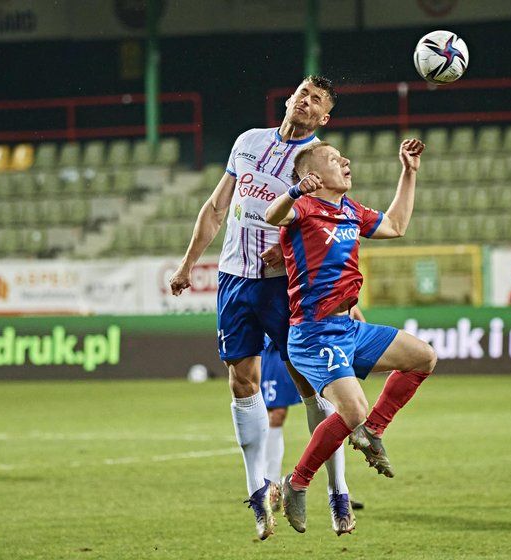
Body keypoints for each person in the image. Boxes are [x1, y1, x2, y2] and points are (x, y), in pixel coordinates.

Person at [169, 76, 354, 540]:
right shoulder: (248, 141)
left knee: (312, 382)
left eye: (317, 100)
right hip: (234, 278)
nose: (305, 102)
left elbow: (334, 225)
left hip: (285, 285)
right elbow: (216, 207)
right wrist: (188, 263)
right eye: (302, 93)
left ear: (324, 118)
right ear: (289, 99)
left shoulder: (319, 159)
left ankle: (337, 488)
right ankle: (257, 493)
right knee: (241, 381)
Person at [264, 138, 437, 534]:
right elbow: (275, 216)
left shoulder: (350, 210)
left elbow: (395, 226)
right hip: (313, 335)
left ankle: (373, 431)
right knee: (352, 410)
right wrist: (294, 191)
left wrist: (408, 173)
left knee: (423, 357)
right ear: (311, 174)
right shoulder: (304, 207)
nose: (345, 161)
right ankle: (297, 482)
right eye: (333, 158)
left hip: (348, 327)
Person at [261, 308, 367, 512]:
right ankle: (272, 487)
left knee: (330, 412)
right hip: (279, 341)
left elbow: (347, 305)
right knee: (276, 414)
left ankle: (339, 490)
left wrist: (359, 331)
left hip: (313, 340)